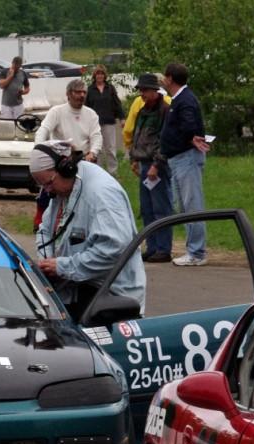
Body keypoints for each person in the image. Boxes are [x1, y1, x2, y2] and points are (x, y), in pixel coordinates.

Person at [30, 140, 145, 321]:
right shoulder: (62, 189)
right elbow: (45, 230)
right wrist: (47, 261)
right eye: (42, 185)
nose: (47, 190)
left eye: (49, 183)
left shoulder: (102, 194)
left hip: (111, 297)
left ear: (66, 168)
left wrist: (62, 266)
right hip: (76, 289)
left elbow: (114, 249)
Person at [33, 79, 102, 230]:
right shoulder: (57, 111)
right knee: (49, 187)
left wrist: (93, 152)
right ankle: (41, 216)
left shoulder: (91, 115)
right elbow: (43, 130)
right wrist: (39, 148)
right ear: (68, 94)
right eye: (78, 92)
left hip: (83, 160)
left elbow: (96, 136)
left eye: (84, 92)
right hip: (60, 159)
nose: (81, 95)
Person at [160, 62, 209, 266]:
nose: (163, 79)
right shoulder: (178, 99)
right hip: (178, 159)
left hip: (186, 158)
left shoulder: (184, 100)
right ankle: (193, 249)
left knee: (192, 204)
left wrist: (190, 137)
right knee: (184, 205)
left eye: (165, 76)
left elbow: (189, 124)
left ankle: (197, 252)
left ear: (170, 78)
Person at [128, 73, 173, 263]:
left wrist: (156, 165)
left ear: (155, 90)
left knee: (160, 208)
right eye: (140, 90)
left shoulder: (165, 110)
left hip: (157, 167)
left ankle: (163, 249)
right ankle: (152, 246)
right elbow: (137, 136)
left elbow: (166, 141)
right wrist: (134, 158)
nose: (142, 93)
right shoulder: (143, 110)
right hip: (144, 164)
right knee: (147, 209)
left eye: (145, 90)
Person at [85, 65, 124, 176]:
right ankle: (99, 172)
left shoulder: (110, 88)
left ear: (104, 75)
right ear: (94, 76)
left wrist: (122, 118)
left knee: (111, 148)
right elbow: (86, 107)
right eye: (98, 74)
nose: (100, 76)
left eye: (102, 74)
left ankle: (113, 172)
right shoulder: (90, 90)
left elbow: (117, 104)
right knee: (98, 149)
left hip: (109, 122)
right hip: (95, 124)